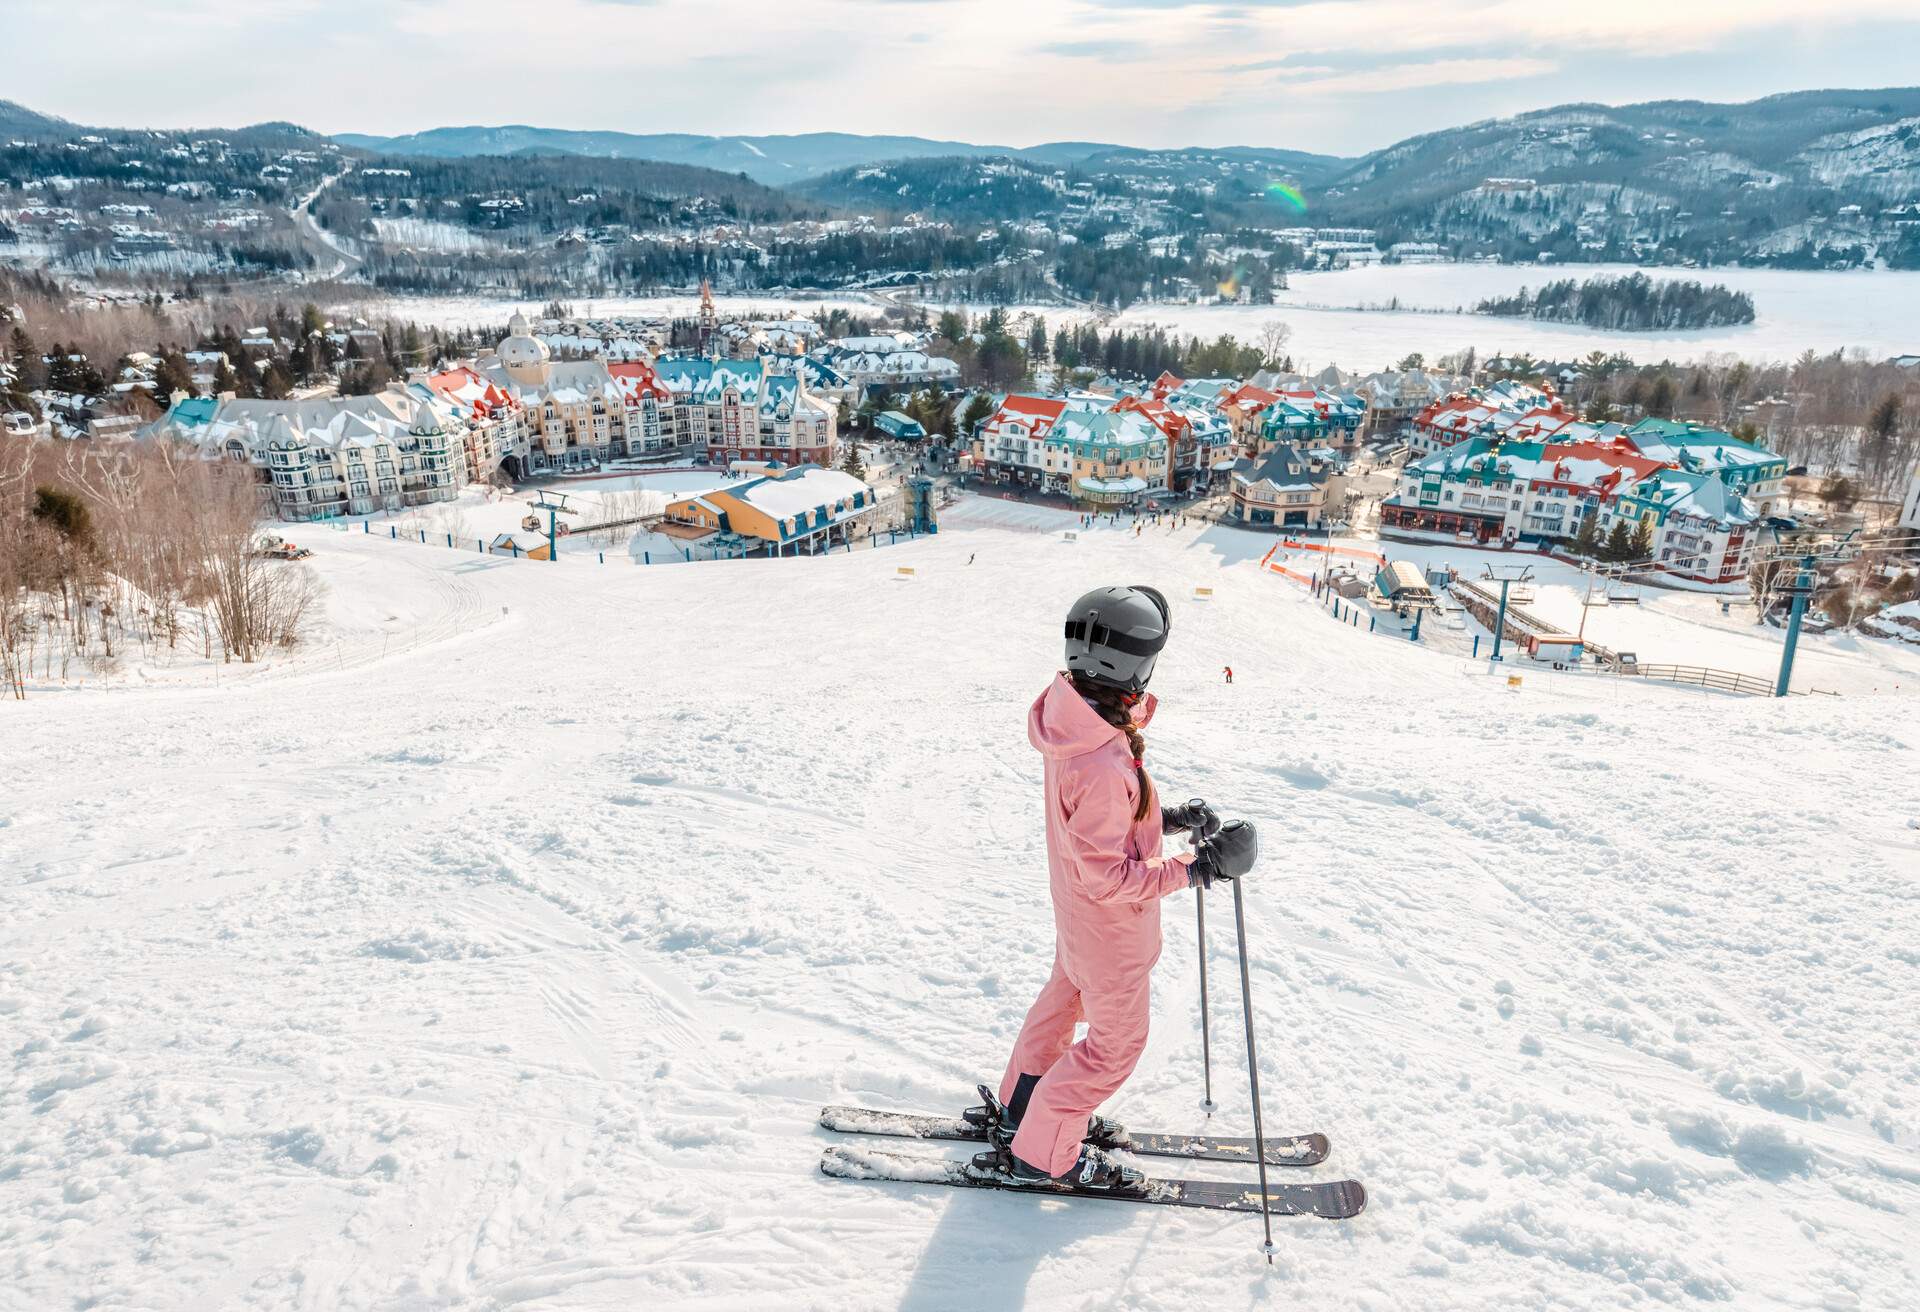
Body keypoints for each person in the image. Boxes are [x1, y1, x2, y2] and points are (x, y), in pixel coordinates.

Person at [981, 585, 1259, 1192]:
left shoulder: (1075, 730)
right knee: (1114, 1048)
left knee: (1059, 1009)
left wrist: (1170, 818)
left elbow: (1096, 834)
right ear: (1137, 668)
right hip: (1109, 934)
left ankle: (1024, 1107)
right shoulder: (1102, 761)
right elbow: (1108, 875)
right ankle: (1045, 1152)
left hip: (1080, 925)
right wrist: (1199, 868)